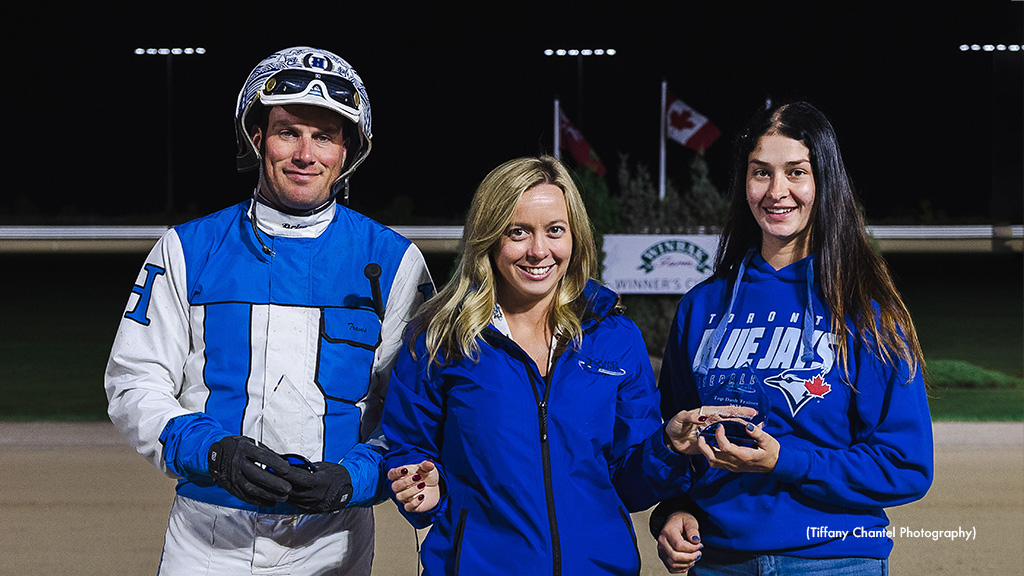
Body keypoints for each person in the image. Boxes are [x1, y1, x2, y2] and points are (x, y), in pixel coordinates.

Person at [104, 46, 433, 575]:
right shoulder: (186, 248)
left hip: (334, 537)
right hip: (208, 535)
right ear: (257, 138)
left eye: (324, 136)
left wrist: (356, 478)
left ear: (347, 151)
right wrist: (212, 452)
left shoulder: (394, 262)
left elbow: (414, 410)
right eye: (288, 132)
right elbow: (133, 382)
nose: (306, 153)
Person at [380, 155, 751, 575]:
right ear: (488, 236)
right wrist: (422, 488)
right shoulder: (438, 337)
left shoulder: (615, 337)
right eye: (517, 232)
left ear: (575, 237)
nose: (539, 251)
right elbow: (409, 448)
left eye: (554, 231)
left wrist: (667, 445)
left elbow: (628, 485)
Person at [652, 101, 934, 575]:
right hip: (722, 562)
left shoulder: (866, 309)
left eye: (796, 172)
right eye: (760, 173)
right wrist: (674, 508)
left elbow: (906, 465)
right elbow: (674, 439)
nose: (776, 191)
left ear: (824, 182)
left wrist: (786, 460)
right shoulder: (702, 306)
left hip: (835, 560)